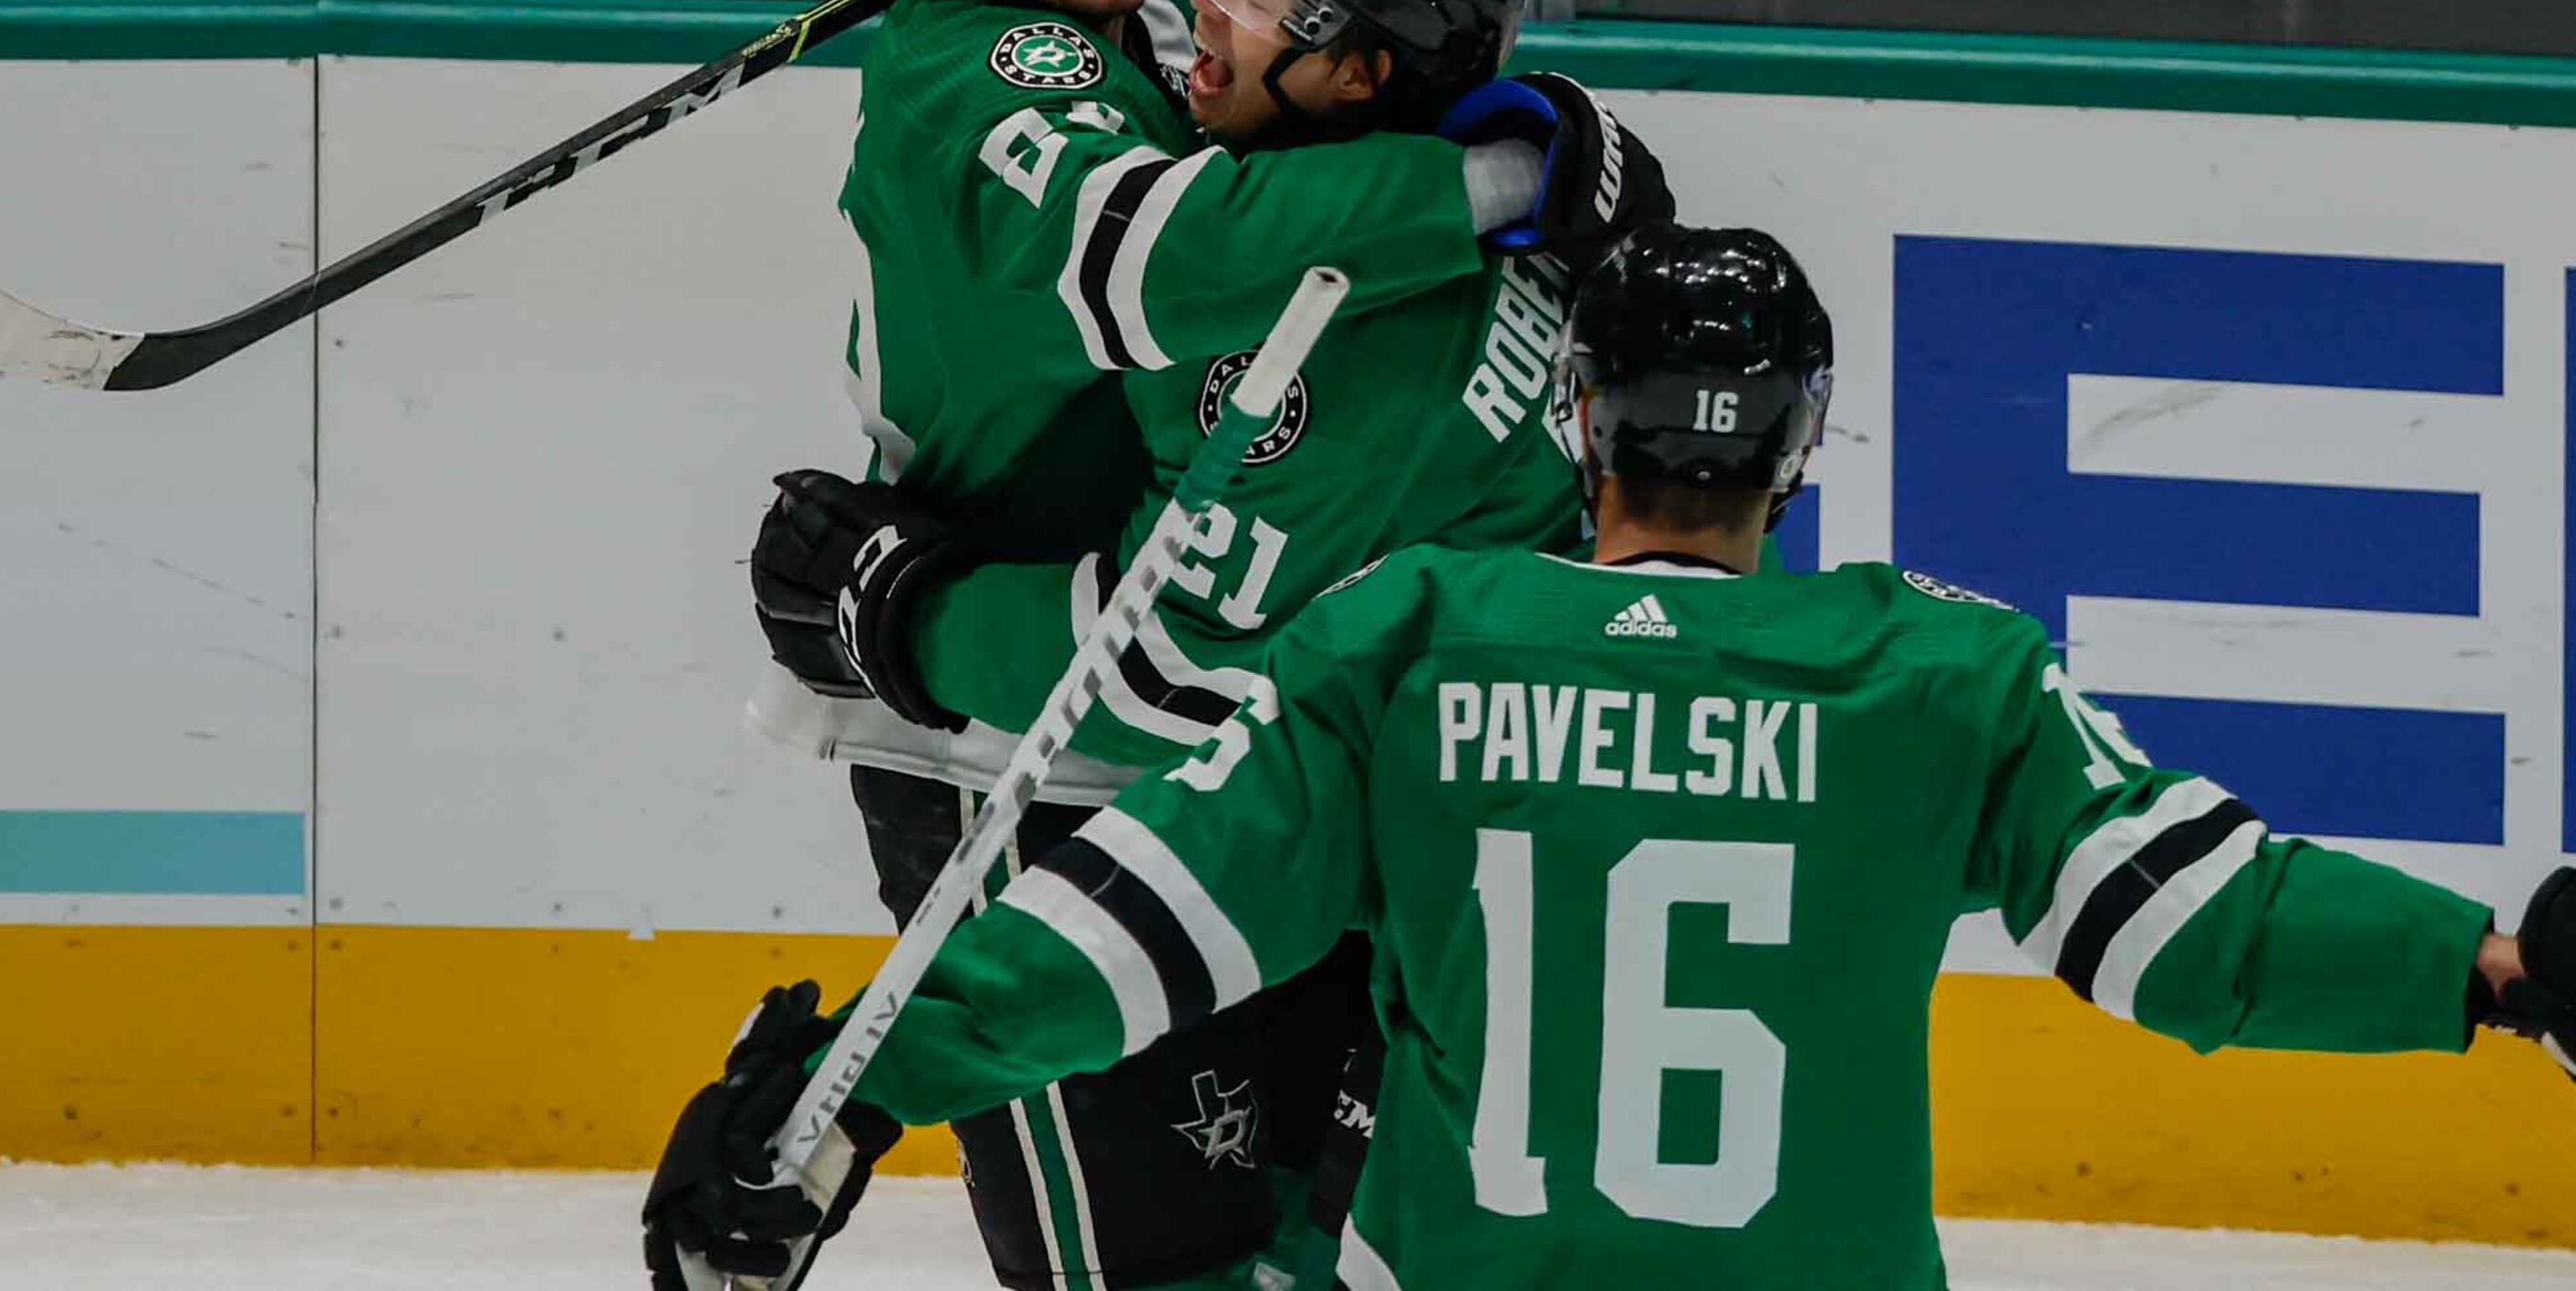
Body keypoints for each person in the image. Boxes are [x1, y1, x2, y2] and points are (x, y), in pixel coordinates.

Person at [651, 223, 2576, 1291]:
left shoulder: (1405, 636)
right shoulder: (1934, 678)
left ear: (1580, 418)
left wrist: (855, 1081)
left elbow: (1127, 927)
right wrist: (2488, 976)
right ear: (1796, 443)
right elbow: (2192, 926)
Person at [667, 0, 1654, 1291]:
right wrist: (1496, 168)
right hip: (1010, 737)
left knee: (1310, 1244)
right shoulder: (980, 80)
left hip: (1220, 739)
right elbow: (1157, 254)